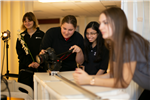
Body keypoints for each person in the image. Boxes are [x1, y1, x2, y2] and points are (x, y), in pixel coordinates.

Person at [73, 7, 150, 100]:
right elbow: (114, 74)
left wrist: (90, 80)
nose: (100, 27)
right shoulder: (114, 44)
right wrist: (87, 77)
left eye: (105, 23)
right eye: (100, 23)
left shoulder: (129, 42)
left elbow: (123, 82)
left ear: (117, 23)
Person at [16, 12, 45, 89]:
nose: (27, 23)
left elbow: (44, 51)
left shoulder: (42, 35)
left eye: (29, 20)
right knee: (26, 93)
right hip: (26, 69)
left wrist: (39, 63)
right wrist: (29, 63)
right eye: (25, 21)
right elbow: (20, 54)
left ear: (34, 21)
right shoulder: (20, 36)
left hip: (39, 69)